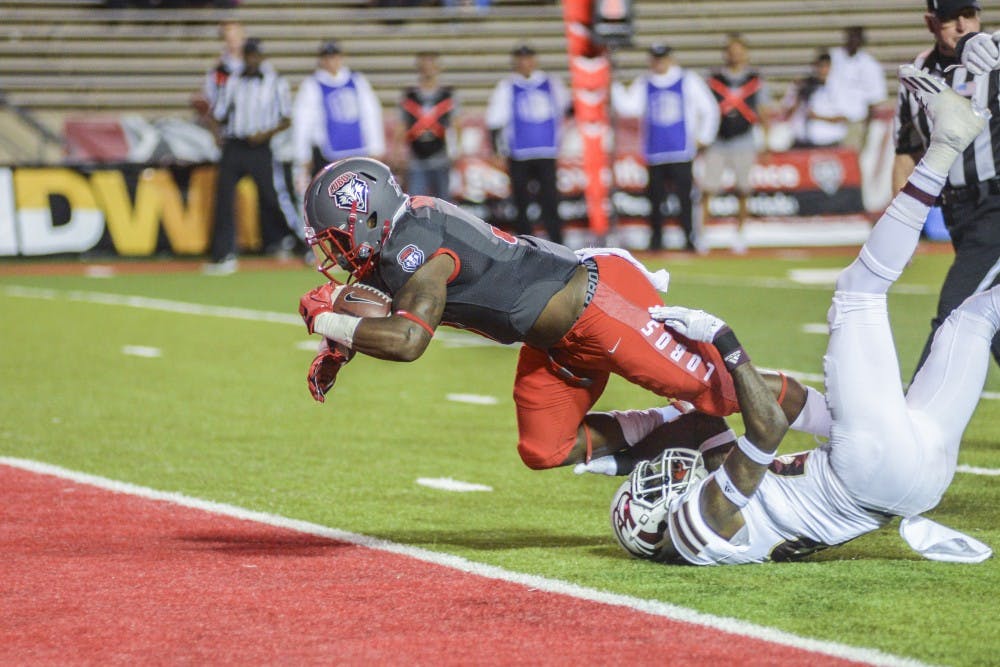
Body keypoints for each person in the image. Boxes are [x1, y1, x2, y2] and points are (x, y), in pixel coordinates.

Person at [609, 66, 995, 565]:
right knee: (858, 290)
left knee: (977, 314)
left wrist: (682, 399)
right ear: (654, 521)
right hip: (869, 469)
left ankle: (950, 139)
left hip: (912, 480)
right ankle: (946, 143)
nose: (667, 478)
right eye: (654, 489)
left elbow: (771, 405)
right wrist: (721, 340)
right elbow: (767, 428)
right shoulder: (690, 532)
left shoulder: (726, 503)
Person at [293, 158, 841, 473]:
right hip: (553, 339)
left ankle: (846, 429)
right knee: (544, 448)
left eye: (338, 238)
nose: (336, 255)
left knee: (721, 390)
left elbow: (410, 339)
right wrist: (341, 346)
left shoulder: (415, 245)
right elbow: (380, 296)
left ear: (364, 218)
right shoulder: (402, 235)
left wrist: (327, 323)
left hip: (600, 305)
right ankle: (679, 427)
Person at [895, 0, 1000, 377]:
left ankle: (910, 424)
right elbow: (906, 151)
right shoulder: (918, 72)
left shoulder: (996, 58)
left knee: (956, 310)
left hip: (995, 205)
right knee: (993, 321)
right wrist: (902, 225)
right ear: (930, 22)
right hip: (956, 211)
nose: (961, 25)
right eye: (950, 18)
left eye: (968, 15)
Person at [612, 44, 719, 252]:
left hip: (681, 152)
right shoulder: (644, 82)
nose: (658, 63)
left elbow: (709, 109)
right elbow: (628, 107)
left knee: (685, 199)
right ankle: (657, 239)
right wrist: (613, 84)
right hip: (655, 153)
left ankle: (689, 237)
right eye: (655, 58)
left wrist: (704, 137)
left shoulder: (687, 79)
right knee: (656, 199)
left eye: (662, 58)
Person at [205, 38, 295, 274]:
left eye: (256, 55)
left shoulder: (276, 82)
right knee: (224, 199)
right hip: (235, 144)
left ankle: (294, 242)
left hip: (260, 146)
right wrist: (216, 133)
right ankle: (224, 254)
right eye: (249, 55)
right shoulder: (233, 81)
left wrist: (266, 133)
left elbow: (286, 118)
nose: (253, 59)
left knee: (272, 196)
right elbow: (218, 113)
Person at [485, 43, 570, 244]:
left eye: (528, 58)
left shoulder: (551, 83)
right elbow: (495, 120)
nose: (525, 63)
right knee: (521, 201)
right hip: (519, 152)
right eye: (520, 59)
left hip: (546, 151)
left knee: (550, 200)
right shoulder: (507, 86)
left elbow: (567, 108)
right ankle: (525, 243)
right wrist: (497, 150)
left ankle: (557, 241)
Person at [701, 34, 770, 254]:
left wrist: (766, 141)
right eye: (731, 50)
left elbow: (763, 111)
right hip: (718, 140)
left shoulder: (755, 80)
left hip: (744, 140)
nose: (735, 55)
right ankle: (702, 233)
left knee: (743, 189)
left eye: (739, 50)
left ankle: (740, 233)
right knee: (708, 188)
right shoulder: (714, 80)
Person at [291, 40, 385, 196]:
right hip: (327, 153)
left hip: (358, 151)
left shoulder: (356, 81)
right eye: (327, 57)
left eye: (334, 57)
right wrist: (303, 154)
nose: (331, 62)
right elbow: (303, 121)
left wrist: (376, 146)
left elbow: (371, 113)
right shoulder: (312, 85)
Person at [397, 51, 457, 199]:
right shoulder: (409, 96)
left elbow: (456, 124)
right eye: (424, 66)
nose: (428, 70)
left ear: (437, 68)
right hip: (416, 158)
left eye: (431, 65)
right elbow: (402, 125)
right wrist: (397, 151)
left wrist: (457, 150)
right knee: (415, 203)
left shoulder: (448, 96)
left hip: (441, 156)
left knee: (444, 205)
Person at [827, 26, 887, 154]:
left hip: (854, 121)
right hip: (827, 121)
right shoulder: (832, 57)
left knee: (849, 159)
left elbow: (873, 100)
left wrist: (866, 128)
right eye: (851, 37)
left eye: (856, 38)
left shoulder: (870, 65)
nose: (853, 41)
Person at [780, 51, 849, 149]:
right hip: (803, 142)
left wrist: (817, 117)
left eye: (826, 67)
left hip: (830, 142)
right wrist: (798, 97)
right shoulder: (803, 85)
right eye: (820, 66)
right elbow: (787, 113)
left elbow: (844, 118)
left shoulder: (839, 88)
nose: (822, 70)